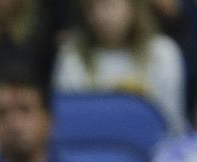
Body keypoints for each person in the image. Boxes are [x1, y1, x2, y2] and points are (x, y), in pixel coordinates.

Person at [53, 0, 186, 132]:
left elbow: (171, 123)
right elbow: (69, 122)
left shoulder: (163, 52)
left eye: (109, 5)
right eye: (91, 7)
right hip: (91, 145)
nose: (100, 15)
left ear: (134, 7)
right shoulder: (71, 55)